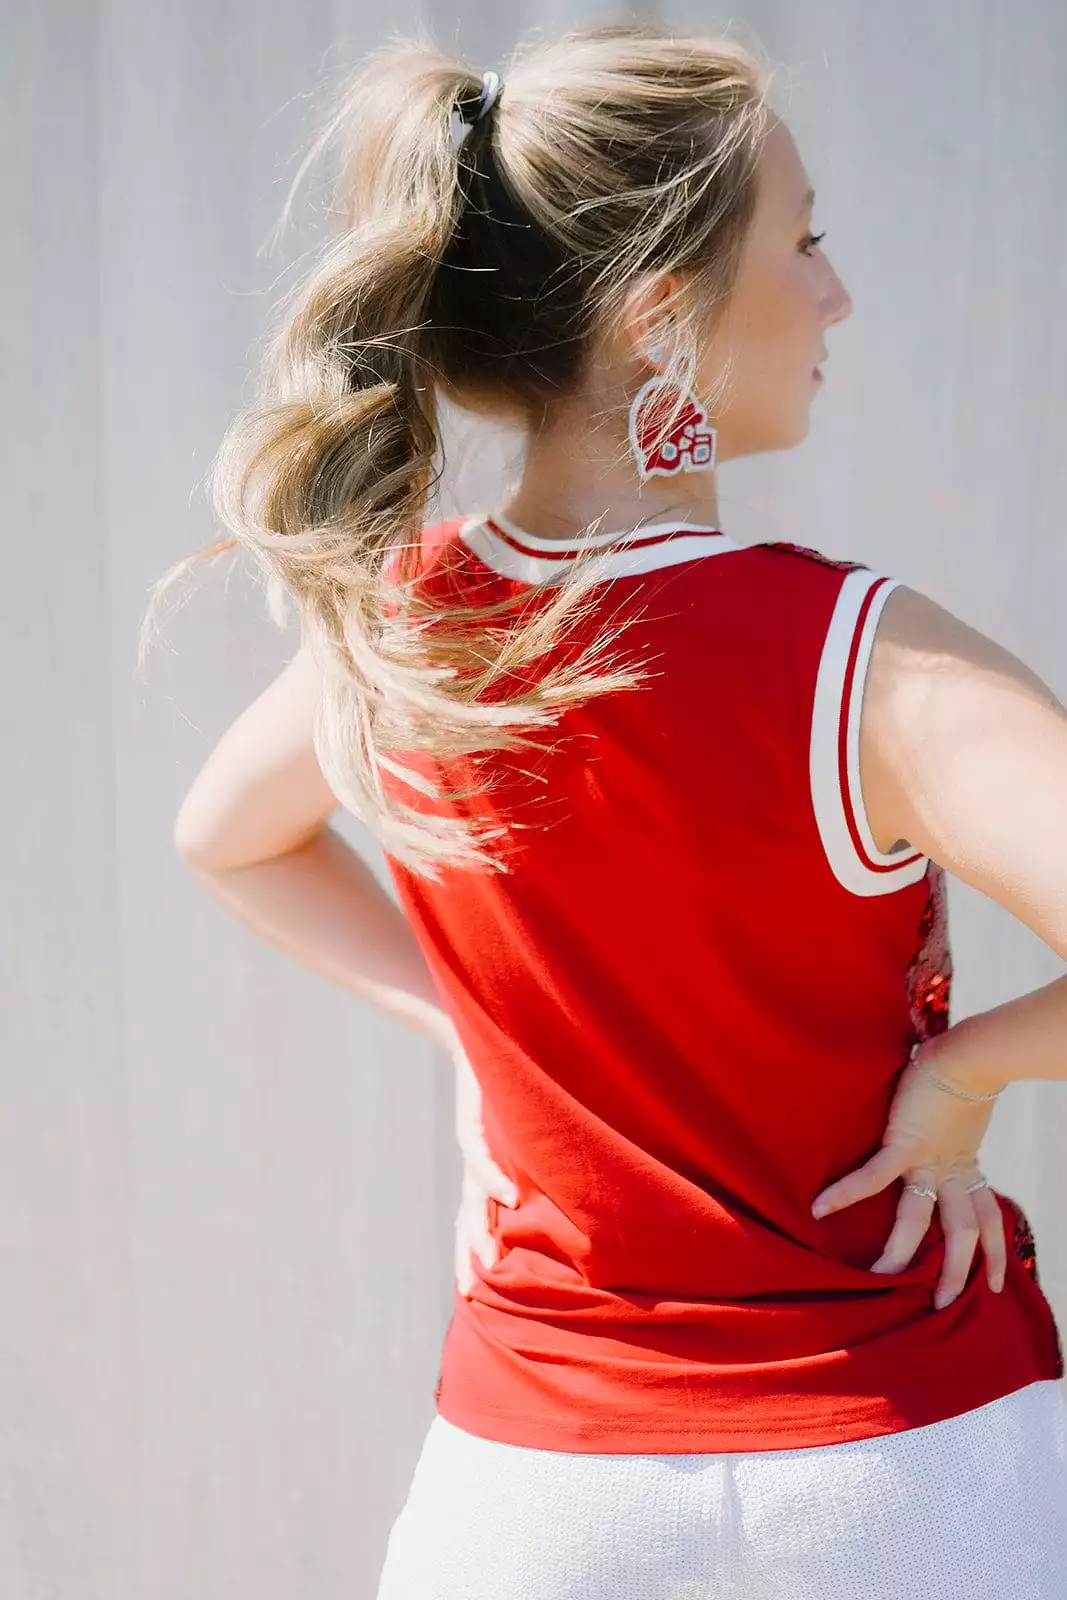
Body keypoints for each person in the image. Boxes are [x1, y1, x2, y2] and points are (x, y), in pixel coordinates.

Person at [156, 22, 1067, 1599]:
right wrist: (962, 1083)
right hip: (909, 1468)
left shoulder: (407, 621)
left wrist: (469, 1037)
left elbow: (226, 837)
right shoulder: (861, 657)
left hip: (527, 1499)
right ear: (659, 317)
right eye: (805, 241)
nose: (836, 294)